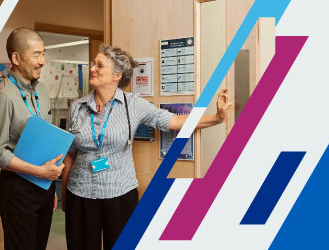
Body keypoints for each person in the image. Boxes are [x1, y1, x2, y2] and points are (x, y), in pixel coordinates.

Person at [61, 44, 233, 250]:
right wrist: (65, 195)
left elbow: (174, 121)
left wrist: (216, 118)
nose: (93, 68)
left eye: (100, 65)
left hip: (120, 193)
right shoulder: (77, 107)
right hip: (80, 193)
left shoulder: (132, 104)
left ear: (117, 75)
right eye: (93, 64)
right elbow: (70, 154)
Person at [0, 27, 64, 250]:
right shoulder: (4, 95)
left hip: (43, 186)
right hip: (18, 187)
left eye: (44, 53)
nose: (43, 61)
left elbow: (45, 140)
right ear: (16, 58)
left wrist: (50, 187)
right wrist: (39, 172)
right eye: (37, 54)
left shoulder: (42, 91)